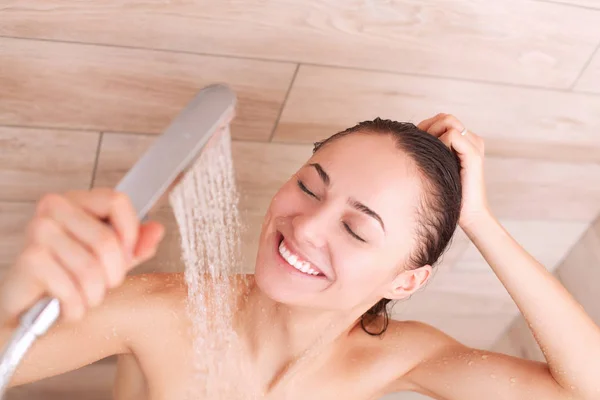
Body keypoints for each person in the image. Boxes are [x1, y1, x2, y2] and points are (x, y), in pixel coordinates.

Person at [1, 113, 599, 400]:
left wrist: (481, 222)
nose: (306, 226)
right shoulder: (164, 312)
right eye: (311, 186)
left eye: (357, 229)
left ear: (407, 279)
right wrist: (15, 293)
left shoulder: (395, 356)